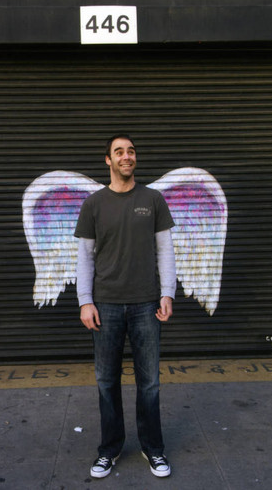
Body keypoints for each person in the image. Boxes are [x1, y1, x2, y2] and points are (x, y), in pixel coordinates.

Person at [74, 134, 176, 478]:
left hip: (147, 303)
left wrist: (168, 292)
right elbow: (85, 258)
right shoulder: (94, 204)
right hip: (106, 305)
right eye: (119, 152)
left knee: (150, 383)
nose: (126, 156)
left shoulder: (153, 199)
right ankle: (110, 449)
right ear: (108, 160)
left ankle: (154, 449)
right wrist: (85, 301)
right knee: (106, 382)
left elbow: (165, 250)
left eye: (131, 150)